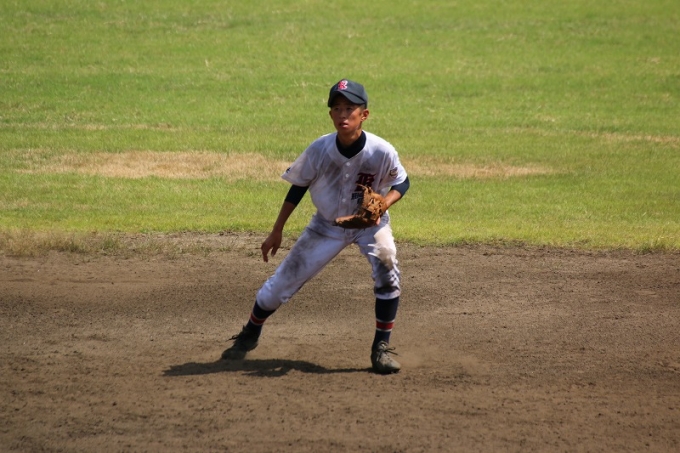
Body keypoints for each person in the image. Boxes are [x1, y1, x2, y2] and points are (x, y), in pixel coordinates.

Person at [221, 79, 411, 374]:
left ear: (364, 114)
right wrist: (277, 230)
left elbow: (402, 182)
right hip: (326, 226)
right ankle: (250, 333)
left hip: (369, 225)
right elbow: (297, 187)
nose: (342, 114)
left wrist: (385, 203)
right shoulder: (319, 149)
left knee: (387, 264)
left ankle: (381, 348)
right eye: (337, 108)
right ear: (330, 114)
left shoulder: (381, 151)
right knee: (279, 286)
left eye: (350, 109)